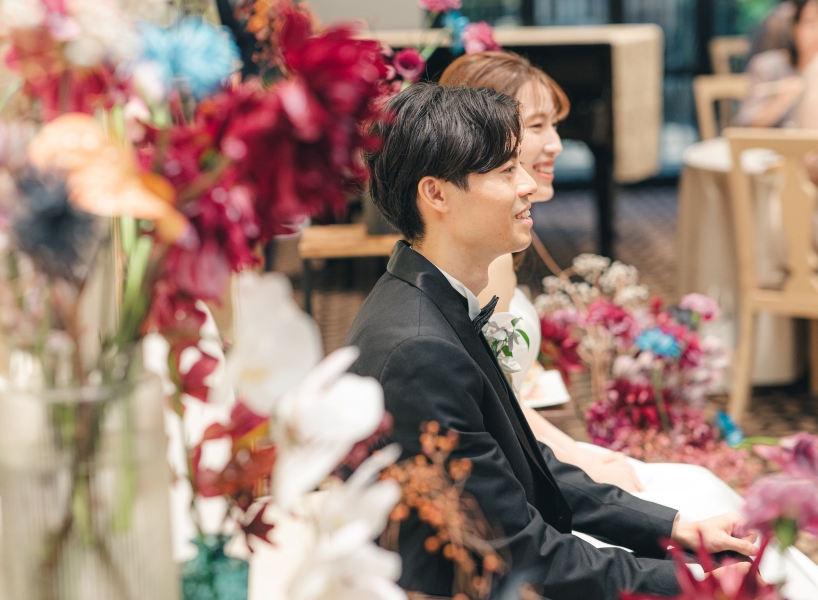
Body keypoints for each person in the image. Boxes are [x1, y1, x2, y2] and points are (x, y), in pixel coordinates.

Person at [346, 83, 756, 600]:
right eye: (505, 171)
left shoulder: (433, 299)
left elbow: (524, 467)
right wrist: (693, 582)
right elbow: (521, 554)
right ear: (437, 194)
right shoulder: (419, 351)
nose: (527, 185)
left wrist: (677, 528)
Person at [440, 51, 644, 493]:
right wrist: (581, 465)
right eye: (536, 126)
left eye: (554, 124)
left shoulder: (492, 249)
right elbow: (491, 407)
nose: (556, 144)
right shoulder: (485, 263)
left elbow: (503, 396)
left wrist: (576, 452)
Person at [738, 0, 818, 128]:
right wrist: (781, 100)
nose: (817, 32)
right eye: (811, 23)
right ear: (794, 28)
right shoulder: (767, 66)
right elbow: (747, 124)